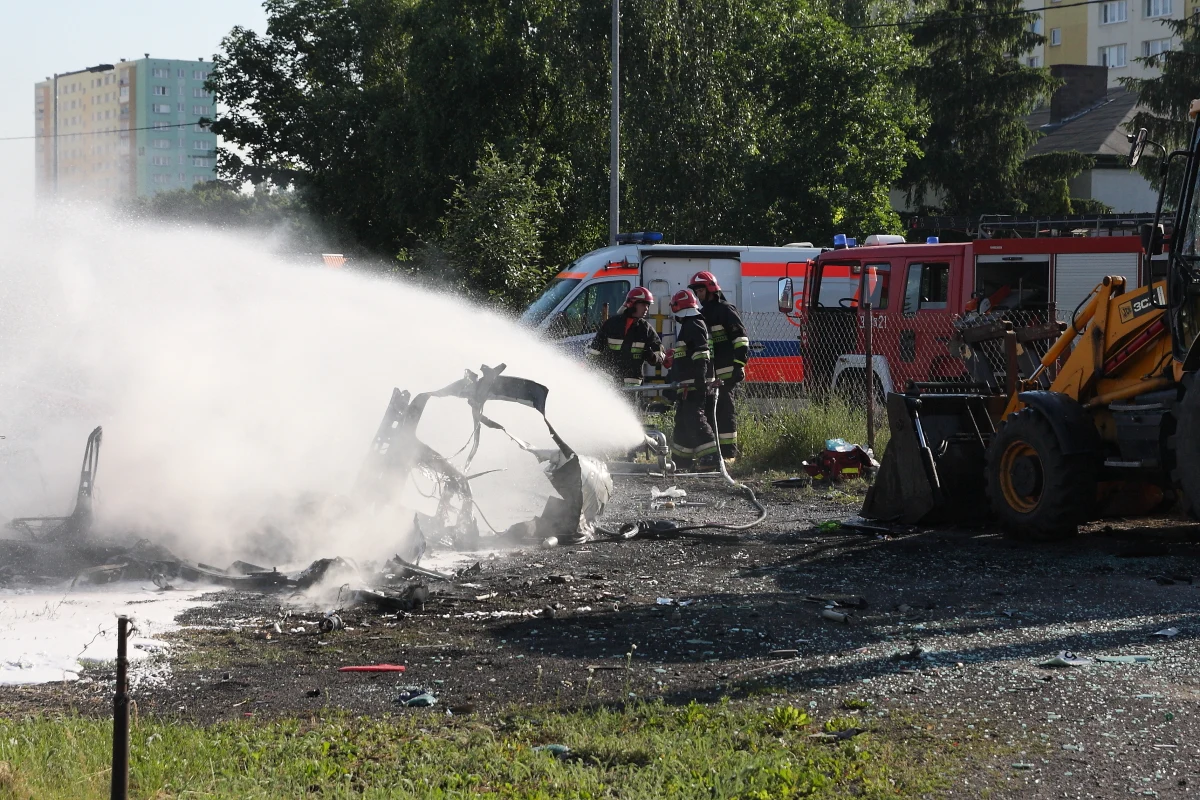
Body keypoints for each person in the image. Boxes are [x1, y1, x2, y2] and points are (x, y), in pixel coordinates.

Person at [688, 271, 750, 461]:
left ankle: (729, 455)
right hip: (712, 375)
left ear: (711, 289)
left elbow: (741, 340)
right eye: (696, 291)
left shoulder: (725, 310)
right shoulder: (703, 313)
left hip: (727, 372)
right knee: (710, 411)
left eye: (700, 290)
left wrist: (739, 365)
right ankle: (715, 454)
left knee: (725, 411)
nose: (697, 295)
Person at [664, 288, 718, 470]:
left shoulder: (693, 324)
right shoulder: (691, 325)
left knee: (695, 419)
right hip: (688, 384)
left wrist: (699, 381)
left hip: (694, 384)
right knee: (683, 423)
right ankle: (681, 461)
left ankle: (712, 458)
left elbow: (701, 354)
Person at [586, 286, 666, 387]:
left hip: (633, 383)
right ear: (631, 303)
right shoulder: (611, 324)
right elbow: (595, 351)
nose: (646, 308)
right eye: (643, 304)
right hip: (609, 380)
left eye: (648, 305)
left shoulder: (646, 329)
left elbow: (660, 352)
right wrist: (589, 371)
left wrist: (653, 357)